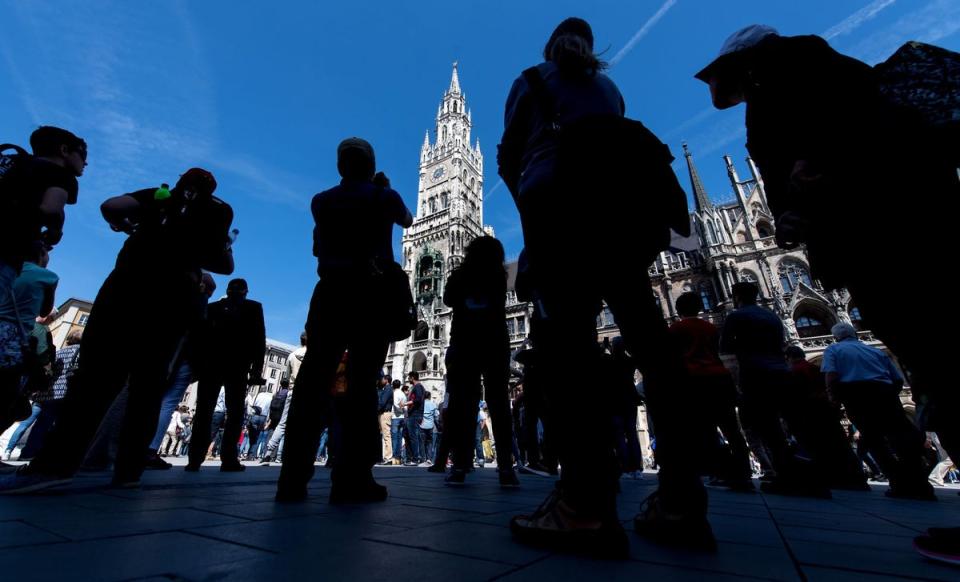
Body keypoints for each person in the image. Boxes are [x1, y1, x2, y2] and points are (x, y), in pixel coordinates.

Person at [498, 18, 706, 554]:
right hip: (622, 224)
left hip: (562, 218)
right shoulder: (608, 88)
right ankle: (682, 503)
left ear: (550, 47)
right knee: (655, 351)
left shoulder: (532, 80)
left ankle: (583, 506)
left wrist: (531, 209)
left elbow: (509, 157)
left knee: (566, 354)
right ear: (592, 50)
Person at [0, 168, 234, 493]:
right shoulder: (218, 212)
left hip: (129, 286)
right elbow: (225, 263)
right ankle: (128, 470)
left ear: (182, 181)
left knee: (95, 379)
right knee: (149, 387)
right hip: (173, 296)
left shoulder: (160, 194)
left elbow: (113, 206)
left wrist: (133, 225)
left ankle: (56, 465)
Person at [275, 137, 412, 503]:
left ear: (340, 167)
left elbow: (319, 246)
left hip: (330, 292)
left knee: (312, 381)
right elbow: (408, 220)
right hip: (370, 294)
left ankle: (292, 478)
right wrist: (382, 189)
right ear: (370, 166)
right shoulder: (384, 197)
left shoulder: (321, 201)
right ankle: (352, 478)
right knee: (363, 382)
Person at [721, 282, 827, 497]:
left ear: (737, 297)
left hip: (756, 374)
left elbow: (724, 347)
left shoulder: (736, 316)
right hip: (782, 372)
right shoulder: (771, 316)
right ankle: (815, 477)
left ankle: (786, 476)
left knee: (768, 427)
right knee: (795, 425)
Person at [822, 323, 934, 500]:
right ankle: (918, 481)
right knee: (901, 437)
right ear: (856, 335)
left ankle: (898, 482)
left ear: (836, 337)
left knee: (874, 440)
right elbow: (897, 379)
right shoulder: (876, 351)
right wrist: (890, 396)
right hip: (885, 393)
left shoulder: (833, 350)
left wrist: (833, 398)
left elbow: (831, 376)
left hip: (856, 395)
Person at [441, 236, 518, 487]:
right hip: (495, 341)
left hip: (465, 342)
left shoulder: (460, 276)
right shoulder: (499, 276)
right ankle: (506, 467)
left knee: (464, 405)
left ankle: (461, 465)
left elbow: (448, 299)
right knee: (498, 403)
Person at [668, 292, 752, 491]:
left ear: (678, 310)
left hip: (695, 380)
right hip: (720, 378)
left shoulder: (676, 328)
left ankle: (721, 472)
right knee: (732, 429)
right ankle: (744, 473)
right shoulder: (711, 327)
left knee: (706, 430)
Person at [187, 278, 265, 472]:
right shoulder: (253, 308)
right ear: (246, 292)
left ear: (227, 291)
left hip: (211, 366)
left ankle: (194, 459)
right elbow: (259, 341)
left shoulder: (213, 308)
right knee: (235, 413)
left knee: (204, 411)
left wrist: (196, 367)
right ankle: (228, 459)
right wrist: (256, 369)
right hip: (237, 367)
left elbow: (200, 339)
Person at [144, 273, 217, 470]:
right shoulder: (199, 303)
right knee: (167, 403)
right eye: (209, 291)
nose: (209, 295)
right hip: (183, 357)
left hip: (165, 352)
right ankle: (149, 451)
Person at [784, 345, 869, 491]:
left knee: (819, 447)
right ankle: (856, 478)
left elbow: (794, 398)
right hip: (827, 411)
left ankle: (831, 478)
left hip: (809, 414)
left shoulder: (794, 371)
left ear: (788, 358)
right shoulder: (816, 368)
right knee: (840, 444)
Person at [0, 245, 59, 436]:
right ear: (42, 257)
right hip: (14, 338)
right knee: (8, 393)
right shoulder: (47, 276)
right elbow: (44, 310)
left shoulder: (8, 267)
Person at [404, 372, 426, 466]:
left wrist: (406, 403)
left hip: (415, 414)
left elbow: (418, 400)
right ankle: (413, 458)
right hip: (413, 414)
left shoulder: (418, 387)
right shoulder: (416, 387)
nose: (408, 379)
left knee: (413, 437)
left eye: (409, 377)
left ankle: (415, 458)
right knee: (410, 436)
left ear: (412, 378)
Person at [376, 375, 394, 464]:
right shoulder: (386, 388)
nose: (381, 380)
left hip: (385, 413)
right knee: (385, 435)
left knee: (386, 435)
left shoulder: (387, 389)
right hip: (384, 413)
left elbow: (382, 402)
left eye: (382, 379)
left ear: (386, 380)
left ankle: (388, 457)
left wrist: (376, 409)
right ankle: (386, 456)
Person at [420, 391, 439, 465]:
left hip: (422, 425)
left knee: (422, 442)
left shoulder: (421, 404)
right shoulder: (433, 404)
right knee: (430, 442)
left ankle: (423, 458)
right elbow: (436, 416)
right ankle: (429, 458)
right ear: (429, 396)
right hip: (430, 426)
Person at [390, 379, 406, 465]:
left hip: (395, 417)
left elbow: (396, 405)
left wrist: (400, 409)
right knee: (400, 438)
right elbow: (405, 405)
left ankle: (394, 457)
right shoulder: (403, 394)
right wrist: (403, 409)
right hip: (402, 417)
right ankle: (398, 457)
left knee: (395, 438)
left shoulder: (395, 393)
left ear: (393, 385)